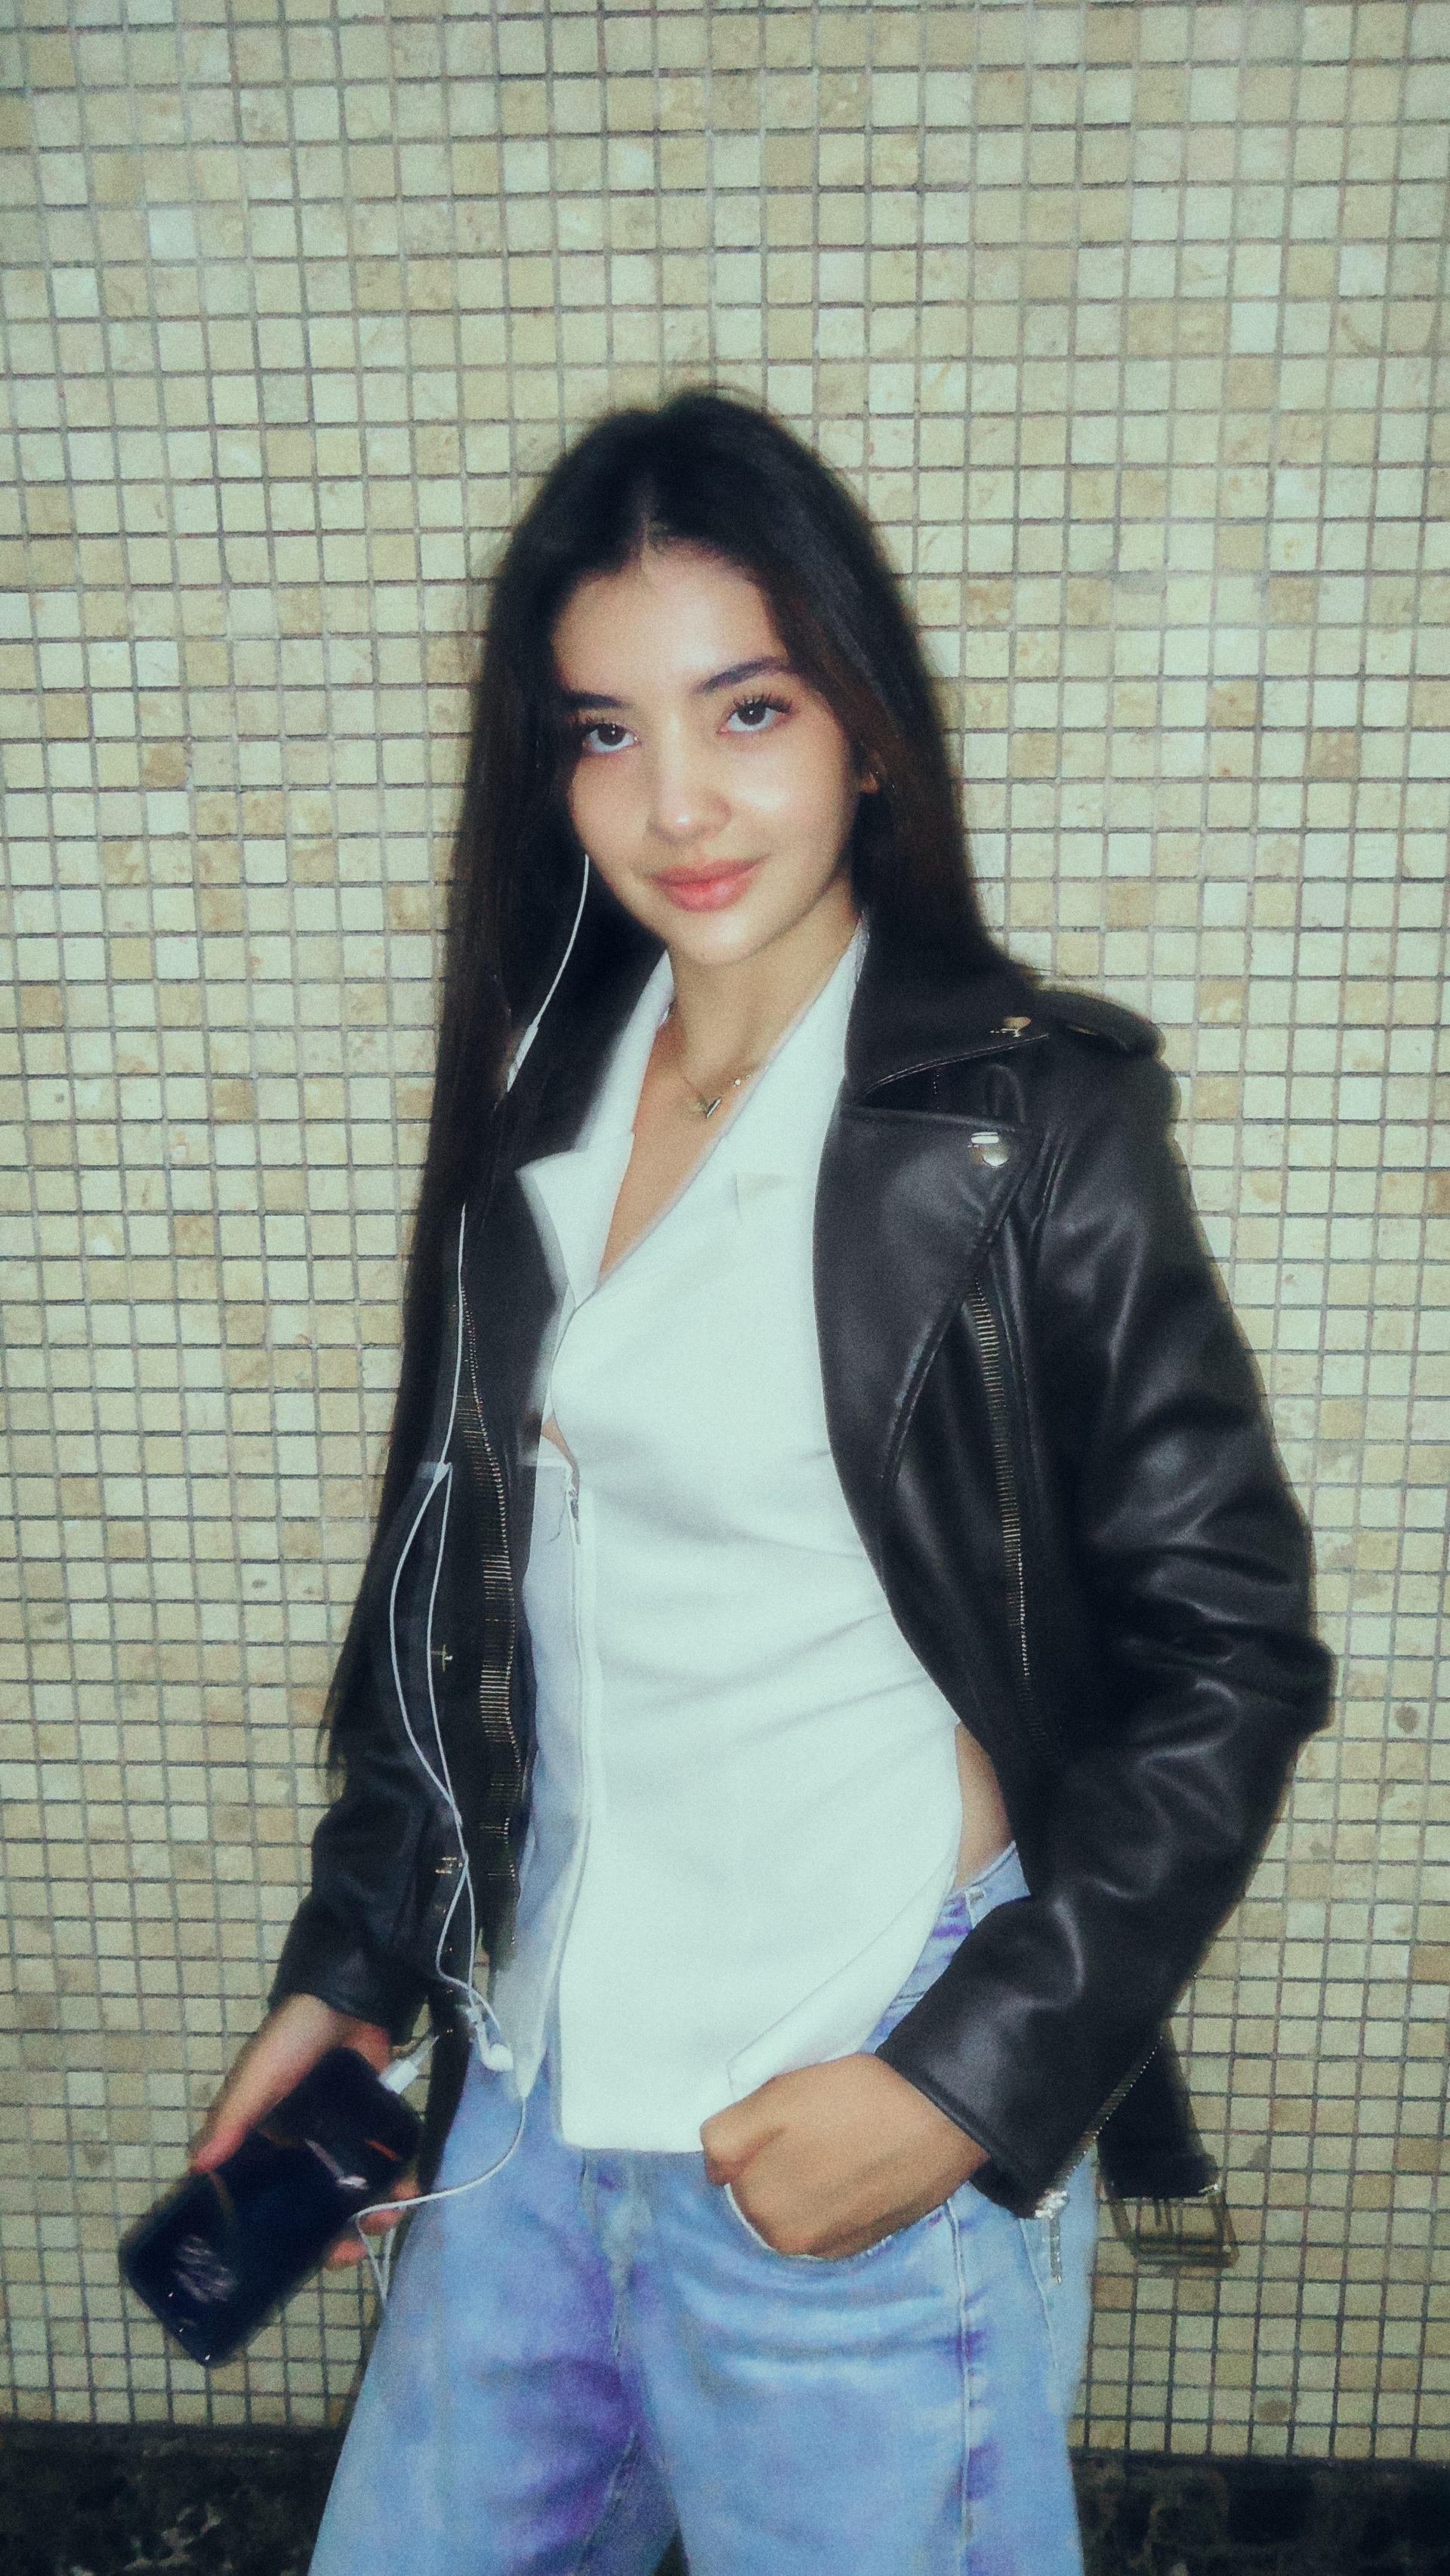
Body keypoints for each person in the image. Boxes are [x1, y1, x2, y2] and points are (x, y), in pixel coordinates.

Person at [194, 392, 1332, 2576]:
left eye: (748, 708)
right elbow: (462, 1599)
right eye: (604, 732)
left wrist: (964, 2085)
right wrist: (353, 1972)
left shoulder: (1031, 1123)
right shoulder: (542, 1092)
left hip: (848, 2095)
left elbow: (1231, 1657)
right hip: (530, 2099)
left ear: (864, 729)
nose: (680, 803)